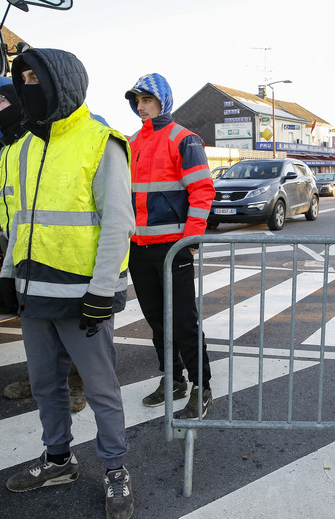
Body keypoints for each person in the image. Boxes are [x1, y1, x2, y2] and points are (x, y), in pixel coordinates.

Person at [0, 48, 135, 519]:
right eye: (24, 77)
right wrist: (6, 276)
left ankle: (116, 470)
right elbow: (18, 222)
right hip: (34, 294)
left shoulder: (101, 142)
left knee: (100, 389)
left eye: (38, 77)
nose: (28, 85)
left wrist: (101, 291)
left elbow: (118, 223)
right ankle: (58, 459)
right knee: (45, 384)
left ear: (64, 83)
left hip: (83, 297)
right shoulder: (20, 148)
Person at [0, 80, 86, 414]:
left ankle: (75, 383)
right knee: (37, 324)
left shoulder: (39, 145)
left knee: (65, 322)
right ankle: (41, 379)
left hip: (56, 246)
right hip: (19, 243)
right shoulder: (8, 149)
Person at [124, 73, 216, 420]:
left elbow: (202, 191)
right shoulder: (133, 141)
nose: (140, 106)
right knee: (158, 322)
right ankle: (173, 379)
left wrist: (189, 241)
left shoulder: (184, 139)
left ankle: (201, 387)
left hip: (171, 248)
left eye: (146, 100)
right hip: (139, 248)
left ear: (163, 101)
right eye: (137, 101)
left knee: (183, 322)